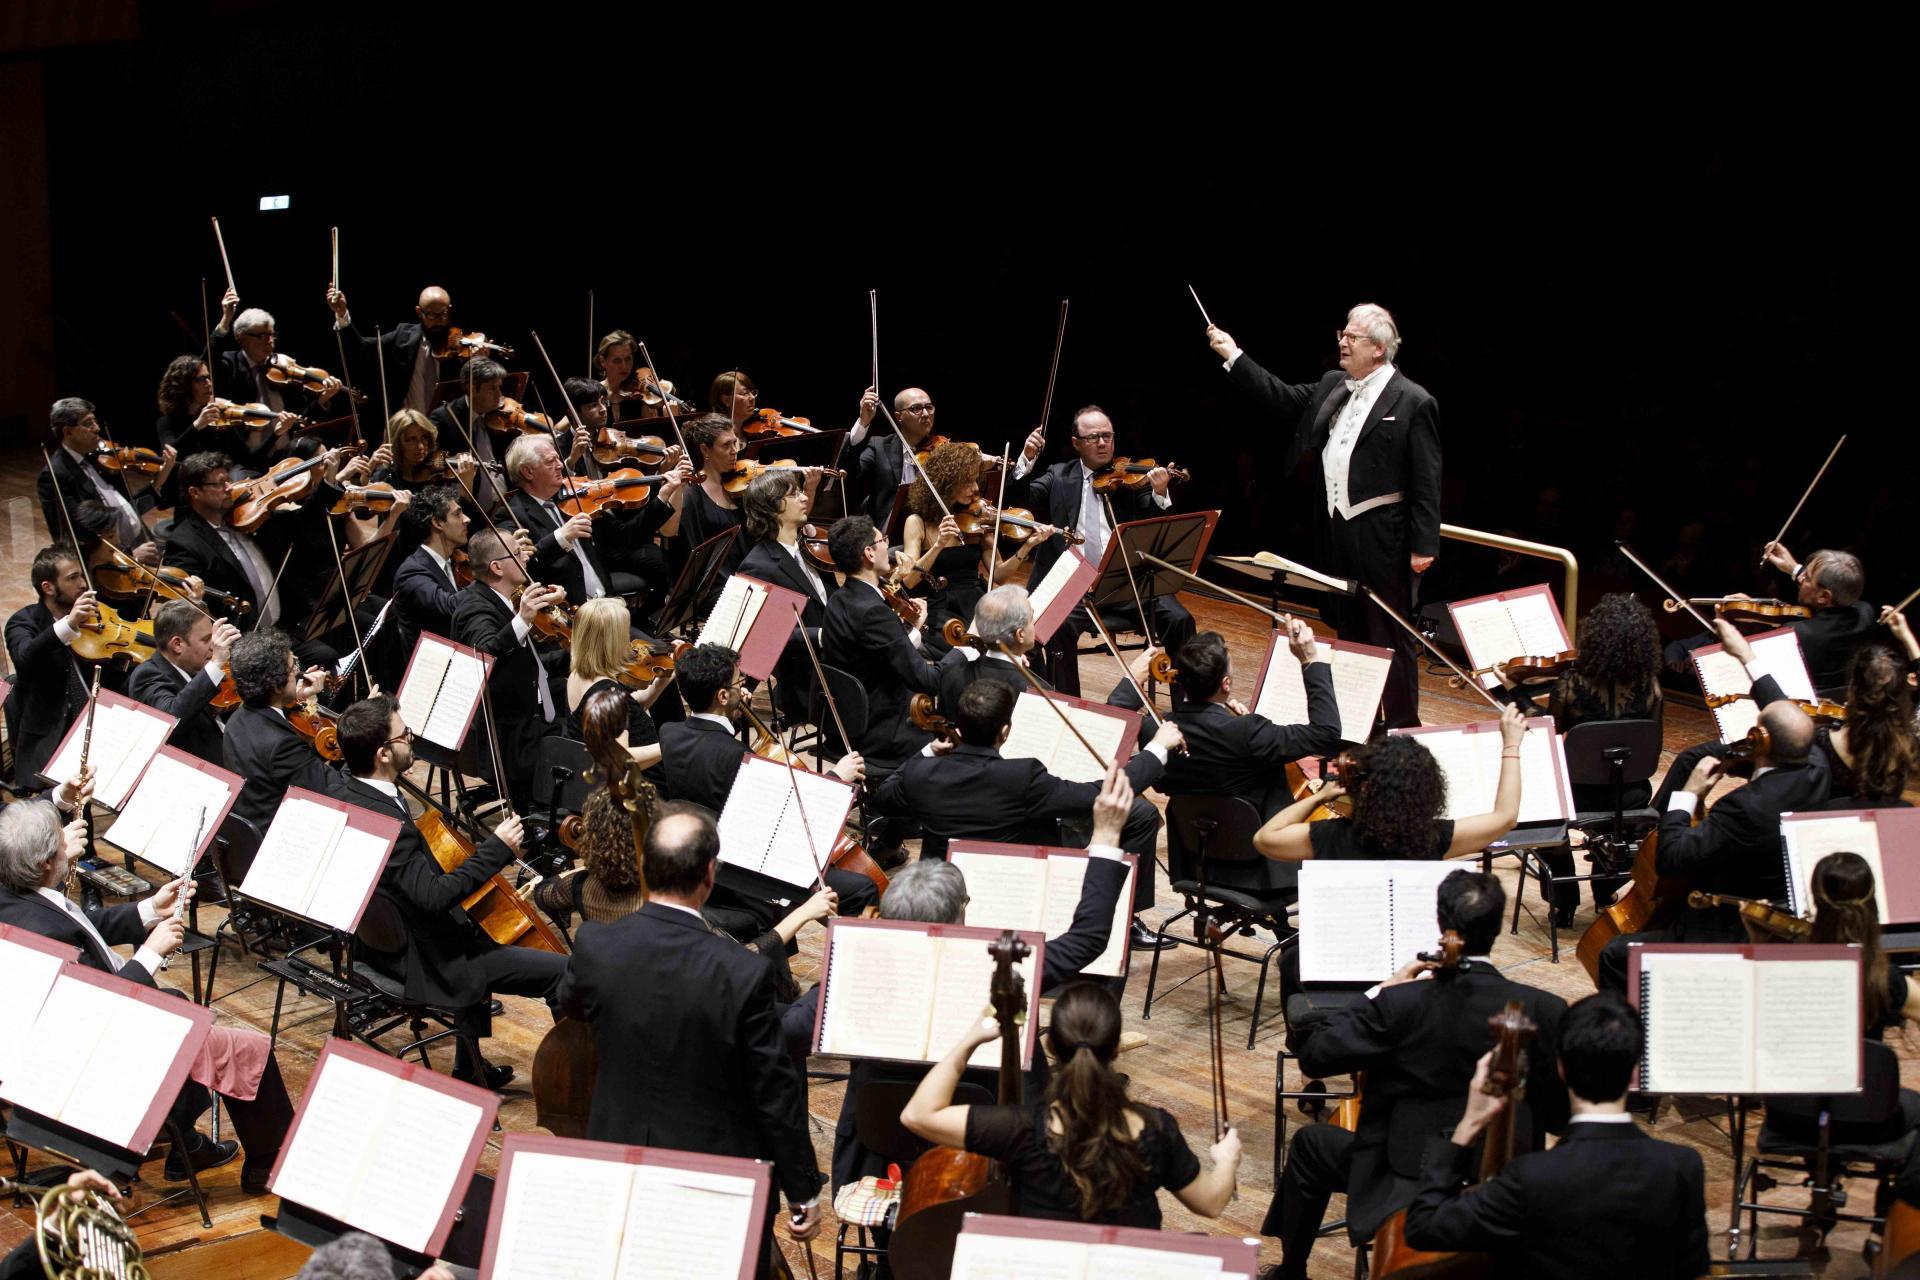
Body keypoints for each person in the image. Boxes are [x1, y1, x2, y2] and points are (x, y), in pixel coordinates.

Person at [832, 768, 1140, 1193]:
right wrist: (1105, 837)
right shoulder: (1000, 971)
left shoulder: (853, 969)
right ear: (962, 910)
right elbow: (1087, 939)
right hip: (988, 1150)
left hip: (877, 1151)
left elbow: (791, 1029)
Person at [557, 802, 823, 1278]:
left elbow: (572, 1005)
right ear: (709, 875)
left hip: (620, 1154)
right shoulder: (743, 971)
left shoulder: (596, 944)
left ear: (644, 867)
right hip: (716, 1172)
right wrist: (801, 1189)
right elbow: (774, 1092)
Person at [1264, 870, 1568, 1280]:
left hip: (1403, 1177)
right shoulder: (1546, 1009)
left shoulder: (1401, 1004)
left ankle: (1291, 1273)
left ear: (1442, 924)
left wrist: (1383, 989)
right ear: (1496, 929)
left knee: (1310, 1145)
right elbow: (1557, 1116)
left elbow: (1315, 1057)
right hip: (1506, 1177)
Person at [0, 800, 295, 1193]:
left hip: (42, 1049)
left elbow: (80, 926)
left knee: (179, 1002)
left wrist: (148, 909)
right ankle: (267, 1165)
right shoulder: (43, 927)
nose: (67, 845)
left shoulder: (14, 899)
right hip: (99, 1062)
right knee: (247, 1048)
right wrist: (151, 952)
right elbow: (108, 1010)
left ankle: (185, 1143)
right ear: (42, 864)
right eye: (60, 843)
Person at [1210, 306, 1442, 730]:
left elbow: (1426, 478)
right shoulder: (1336, 383)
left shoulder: (1413, 400)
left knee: (1389, 632)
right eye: (1343, 333)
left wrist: (1424, 545)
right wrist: (1233, 355)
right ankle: (1359, 722)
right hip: (1338, 527)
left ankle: (1405, 726)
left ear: (1378, 349)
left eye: (1352, 337)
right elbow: (1281, 397)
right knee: (1348, 626)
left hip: (1382, 533)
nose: (1342, 341)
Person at [330, 696, 564, 1089]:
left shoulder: (347, 792)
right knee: (564, 972)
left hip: (379, 947)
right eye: (404, 735)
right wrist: (497, 851)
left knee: (477, 929)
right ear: (384, 753)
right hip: (428, 961)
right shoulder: (390, 821)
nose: (412, 739)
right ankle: (578, 1075)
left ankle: (469, 1068)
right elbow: (434, 897)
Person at [1401, 991, 1710, 1278]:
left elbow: (1423, 1226)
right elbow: (1691, 1268)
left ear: (1561, 1068)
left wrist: (1468, 1124)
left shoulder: (1530, 1177)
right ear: (1634, 1071)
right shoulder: (1683, 1166)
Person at [901, 979, 1241, 1227]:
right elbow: (1210, 1203)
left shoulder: (1020, 1129)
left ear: (1051, 1048)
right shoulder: (1156, 1129)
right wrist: (1226, 1160)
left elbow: (919, 1114)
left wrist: (972, 1037)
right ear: (1115, 1047)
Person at [871, 678, 1180, 947]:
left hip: (943, 884)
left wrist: (927, 752)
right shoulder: (1021, 777)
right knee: (1140, 814)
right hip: (1012, 885)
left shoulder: (922, 774)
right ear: (1005, 731)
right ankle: (1126, 921)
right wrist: (1156, 749)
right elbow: (1100, 794)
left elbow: (884, 795)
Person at [1595, 698, 1828, 993]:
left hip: (1731, 928)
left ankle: (1633, 1033)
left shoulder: (1745, 808)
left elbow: (1671, 858)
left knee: (1615, 955)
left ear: (1761, 739)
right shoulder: (1818, 767)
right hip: (1782, 912)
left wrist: (1688, 794)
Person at [652, 643, 876, 921]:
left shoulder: (669, 733)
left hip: (698, 859)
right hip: (744, 873)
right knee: (862, 889)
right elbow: (787, 815)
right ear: (722, 695)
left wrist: (731, 710)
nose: (745, 688)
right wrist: (836, 777)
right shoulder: (737, 756)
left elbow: (707, 744)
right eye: (738, 682)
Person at [1008, 406, 1191, 696]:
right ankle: (1071, 703)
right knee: (1059, 627)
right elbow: (1020, 500)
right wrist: (1027, 460)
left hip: (1125, 583)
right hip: (1076, 585)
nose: (1103, 443)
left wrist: (1159, 492)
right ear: (1076, 443)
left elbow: (1155, 524)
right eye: (1093, 437)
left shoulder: (1130, 482)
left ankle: (1187, 708)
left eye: (1107, 436)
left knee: (1180, 619)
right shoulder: (1058, 475)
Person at [1118, 622, 1342, 820]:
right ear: (1226, 684)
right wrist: (1310, 660)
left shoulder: (1153, 730)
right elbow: (1326, 732)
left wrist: (1236, 723)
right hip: (1259, 853)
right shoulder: (1249, 732)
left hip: (1190, 854)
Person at [1254, 703, 1529, 862]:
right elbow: (1506, 817)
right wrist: (1512, 744)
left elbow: (1265, 839)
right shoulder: (1434, 838)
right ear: (1428, 791)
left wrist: (1318, 797)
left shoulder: (1331, 837)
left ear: (1364, 787)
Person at [1715, 620, 1916, 806]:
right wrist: (1908, 638)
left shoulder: (1822, 742)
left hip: (1819, 835)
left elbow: (1783, 714)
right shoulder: (1910, 745)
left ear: (1853, 691)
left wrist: (1746, 656)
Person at [450, 528, 571, 809]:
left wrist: (573, 654)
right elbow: (484, 655)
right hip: (510, 740)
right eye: (517, 554)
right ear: (497, 567)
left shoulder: (506, 601)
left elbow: (529, 666)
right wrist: (522, 619)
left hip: (534, 715)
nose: (525, 557)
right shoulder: (474, 608)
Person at [897, 442, 1047, 657]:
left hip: (978, 602)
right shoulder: (918, 522)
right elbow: (910, 581)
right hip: (942, 609)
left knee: (1022, 643)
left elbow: (1000, 574)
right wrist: (938, 545)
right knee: (972, 653)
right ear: (946, 483)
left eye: (976, 479)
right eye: (967, 481)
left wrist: (1027, 546)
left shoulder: (977, 520)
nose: (975, 488)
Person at [503, 433, 688, 606]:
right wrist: (562, 536)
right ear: (528, 472)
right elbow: (523, 569)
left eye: (558, 458)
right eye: (551, 461)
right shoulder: (512, 515)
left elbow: (627, 538)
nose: (561, 465)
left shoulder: (577, 499)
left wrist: (662, 498)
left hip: (608, 606)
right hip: (569, 618)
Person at [819, 514, 942, 770]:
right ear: (869, 554)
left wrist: (913, 628)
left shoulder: (839, 599)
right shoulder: (873, 612)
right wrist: (964, 655)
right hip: (884, 734)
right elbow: (923, 679)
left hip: (849, 722)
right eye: (883, 540)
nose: (889, 545)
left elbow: (881, 652)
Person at [4, 546, 112, 786]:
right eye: (73, 578)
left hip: (96, 725)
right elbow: (24, 659)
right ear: (48, 588)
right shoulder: (23, 622)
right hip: (50, 734)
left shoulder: (95, 619)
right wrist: (68, 624)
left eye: (81, 575)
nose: (84, 584)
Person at [223, 630, 336, 831]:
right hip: (282, 835)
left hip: (247, 829)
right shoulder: (281, 745)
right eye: (293, 667)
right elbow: (333, 789)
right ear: (275, 686)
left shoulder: (236, 720)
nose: (298, 673)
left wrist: (297, 696)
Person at [37, 397, 173, 560]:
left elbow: (127, 509)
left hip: (143, 543)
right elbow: (78, 534)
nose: (97, 428)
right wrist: (128, 556)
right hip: (116, 561)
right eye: (87, 423)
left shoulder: (99, 460)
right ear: (67, 432)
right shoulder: (55, 475)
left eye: (95, 421)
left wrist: (159, 480)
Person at [127, 600, 241, 765]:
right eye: (206, 639)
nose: (213, 646)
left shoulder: (194, 667)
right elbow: (171, 718)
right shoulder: (147, 675)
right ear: (177, 644)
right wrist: (215, 663)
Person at [563, 596, 670, 770]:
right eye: (624, 633)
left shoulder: (578, 674)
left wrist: (661, 681)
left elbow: (627, 707)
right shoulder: (608, 693)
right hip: (642, 787)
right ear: (612, 642)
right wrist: (669, 746)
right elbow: (619, 759)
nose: (629, 641)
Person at [327, 283, 463, 416]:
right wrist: (342, 313)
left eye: (444, 313)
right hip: (405, 430)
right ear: (419, 312)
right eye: (432, 315)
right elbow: (361, 348)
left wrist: (482, 357)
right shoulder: (402, 336)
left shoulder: (458, 346)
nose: (439, 321)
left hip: (445, 428)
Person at [847, 385, 928, 525]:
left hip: (930, 529)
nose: (926, 414)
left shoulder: (941, 450)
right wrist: (863, 422)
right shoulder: (879, 446)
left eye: (929, 407)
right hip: (888, 532)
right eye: (916, 408)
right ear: (899, 417)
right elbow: (852, 472)